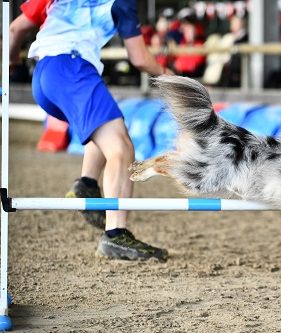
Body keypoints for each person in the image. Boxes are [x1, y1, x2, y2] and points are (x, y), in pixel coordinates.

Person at [28, 0, 170, 262]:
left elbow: (16, 28)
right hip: (71, 67)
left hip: (42, 76)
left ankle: (86, 184)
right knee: (121, 147)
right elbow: (139, 58)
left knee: (106, 126)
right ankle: (116, 234)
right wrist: (167, 74)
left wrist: (12, 58)